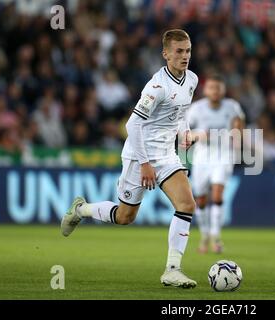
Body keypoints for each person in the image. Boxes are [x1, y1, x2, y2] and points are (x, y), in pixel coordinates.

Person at [60, 29, 199, 288]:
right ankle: (81, 209)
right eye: (179, 51)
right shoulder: (156, 87)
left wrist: (185, 153)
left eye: (188, 50)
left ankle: (172, 269)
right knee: (125, 217)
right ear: (165, 54)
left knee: (187, 204)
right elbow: (132, 125)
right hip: (139, 155)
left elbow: (181, 116)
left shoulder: (191, 79)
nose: (185, 56)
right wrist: (145, 164)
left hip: (167, 154)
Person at [187, 74, 245, 254]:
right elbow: (184, 134)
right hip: (202, 157)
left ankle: (216, 237)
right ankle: (205, 236)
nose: (215, 91)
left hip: (224, 155)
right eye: (212, 88)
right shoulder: (196, 109)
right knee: (201, 199)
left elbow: (239, 125)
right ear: (205, 90)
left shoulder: (232, 107)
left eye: (218, 88)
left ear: (223, 90)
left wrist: (236, 134)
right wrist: (198, 136)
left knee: (218, 195)